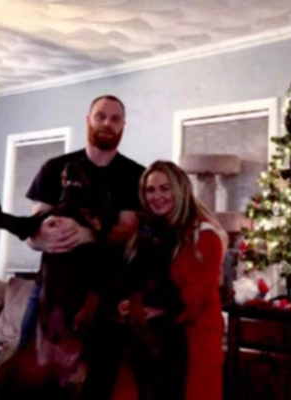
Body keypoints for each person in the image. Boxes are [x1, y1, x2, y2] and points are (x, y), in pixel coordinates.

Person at [18, 94, 145, 399]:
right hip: (52, 291)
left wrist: (87, 234)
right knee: (29, 376)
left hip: (104, 295)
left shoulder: (135, 175)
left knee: (98, 381)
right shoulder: (55, 168)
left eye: (115, 119)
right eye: (100, 116)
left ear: (123, 126)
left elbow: (128, 229)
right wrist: (40, 237)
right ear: (88, 120)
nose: (107, 124)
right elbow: (35, 230)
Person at [125, 160, 228, 400]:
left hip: (193, 341)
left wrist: (158, 311)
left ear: (180, 190)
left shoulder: (203, 234)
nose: (157, 197)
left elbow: (196, 297)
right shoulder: (149, 232)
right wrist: (133, 303)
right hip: (153, 341)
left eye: (165, 188)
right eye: (150, 190)